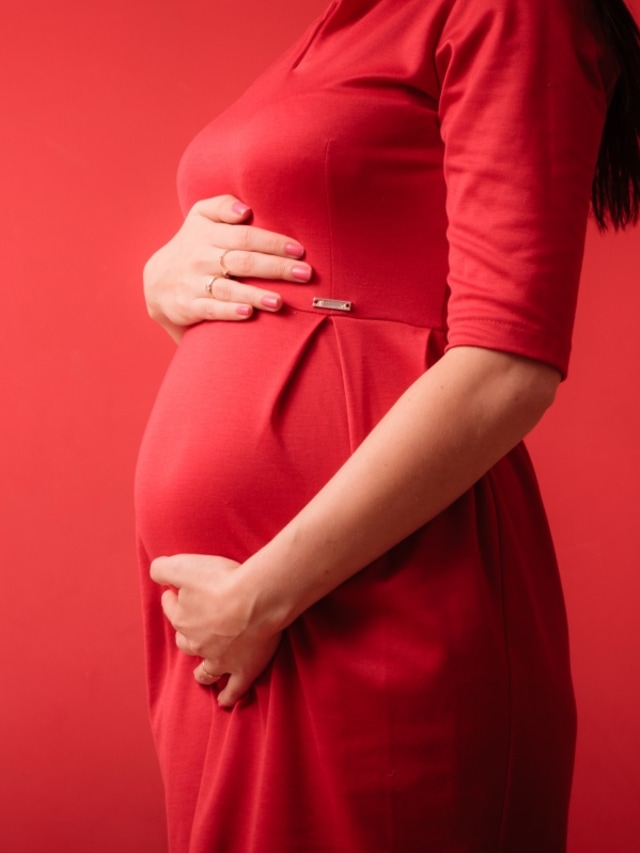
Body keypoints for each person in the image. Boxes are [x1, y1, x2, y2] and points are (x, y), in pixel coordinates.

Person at [135, 1, 640, 851]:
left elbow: (508, 366)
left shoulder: (510, 9)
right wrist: (161, 280)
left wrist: (261, 597)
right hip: (238, 627)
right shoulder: (346, 21)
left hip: (368, 600)